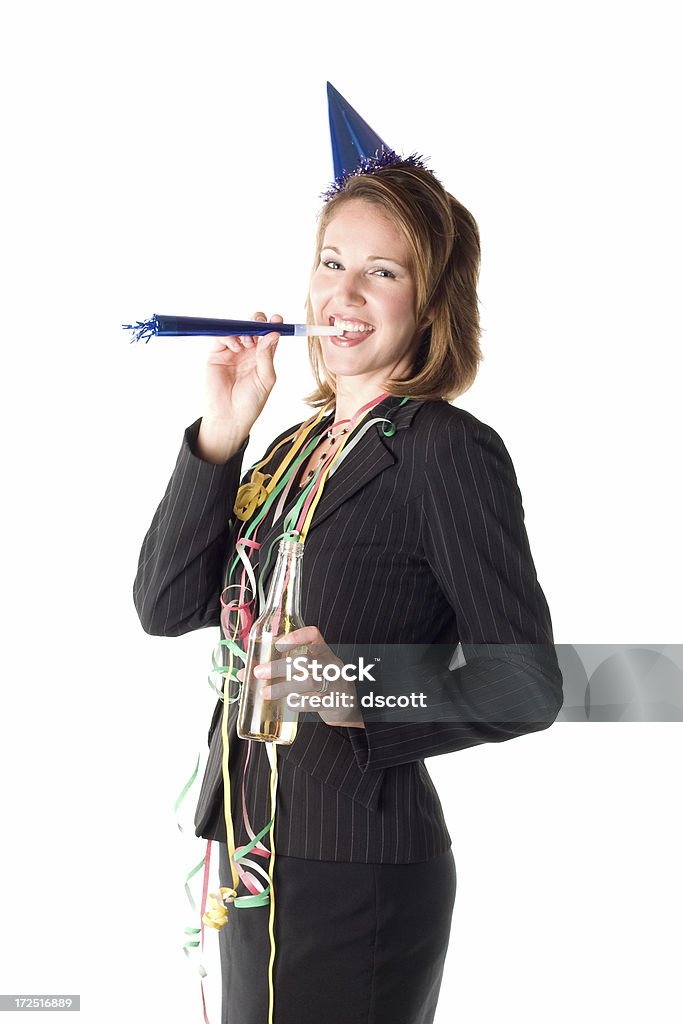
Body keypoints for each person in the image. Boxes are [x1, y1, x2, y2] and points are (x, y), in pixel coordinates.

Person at [134, 155, 563, 1023]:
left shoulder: (445, 448)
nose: (345, 293)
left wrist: (354, 686)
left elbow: (526, 683)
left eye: (382, 271)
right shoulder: (292, 447)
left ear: (432, 302)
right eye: (333, 262)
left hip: (357, 869)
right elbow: (167, 606)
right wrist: (225, 431)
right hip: (249, 849)